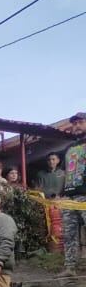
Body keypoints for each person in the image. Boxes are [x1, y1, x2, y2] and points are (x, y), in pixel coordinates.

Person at [62, 112, 86, 272]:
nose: (76, 126)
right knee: (69, 234)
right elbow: (66, 173)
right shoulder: (68, 148)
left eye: (80, 123)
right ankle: (70, 268)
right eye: (74, 124)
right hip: (69, 197)